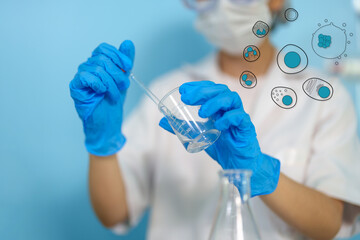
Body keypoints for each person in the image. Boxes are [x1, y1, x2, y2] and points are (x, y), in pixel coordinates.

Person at [69, 0, 360, 239]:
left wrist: (261, 171)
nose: (221, 5)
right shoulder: (165, 91)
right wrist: (101, 142)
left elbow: (332, 224)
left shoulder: (324, 98)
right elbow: (115, 213)